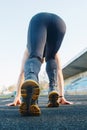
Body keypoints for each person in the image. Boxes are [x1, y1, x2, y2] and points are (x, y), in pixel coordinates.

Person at [8, 12, 73, 116]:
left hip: (39, 19)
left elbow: (22, 73)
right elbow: (59, 71)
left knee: (34, 57)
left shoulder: (28, 50)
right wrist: (61, 96)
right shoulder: (54, 54)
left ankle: (32, 78)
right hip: (59, 23)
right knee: (51, 58)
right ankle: (53, 89)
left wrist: (17, 97)